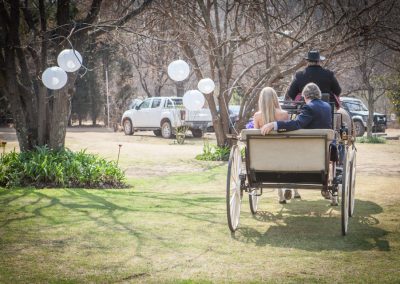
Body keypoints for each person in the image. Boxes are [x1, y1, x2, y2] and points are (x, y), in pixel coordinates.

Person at [253, 87, 301, 204]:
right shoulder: (284, 114)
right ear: (275, 98)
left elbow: (255, 136)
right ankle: (289, 187)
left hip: (265, 154)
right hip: (283, 152)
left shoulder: (257, 116)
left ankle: (280, 195)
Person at [261, 82, 332, 134]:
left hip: (311, 145)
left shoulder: (309, 107)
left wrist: (274, 124)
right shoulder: (327, 106)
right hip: (325, 145)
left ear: (305, 96)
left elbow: (297, 123)